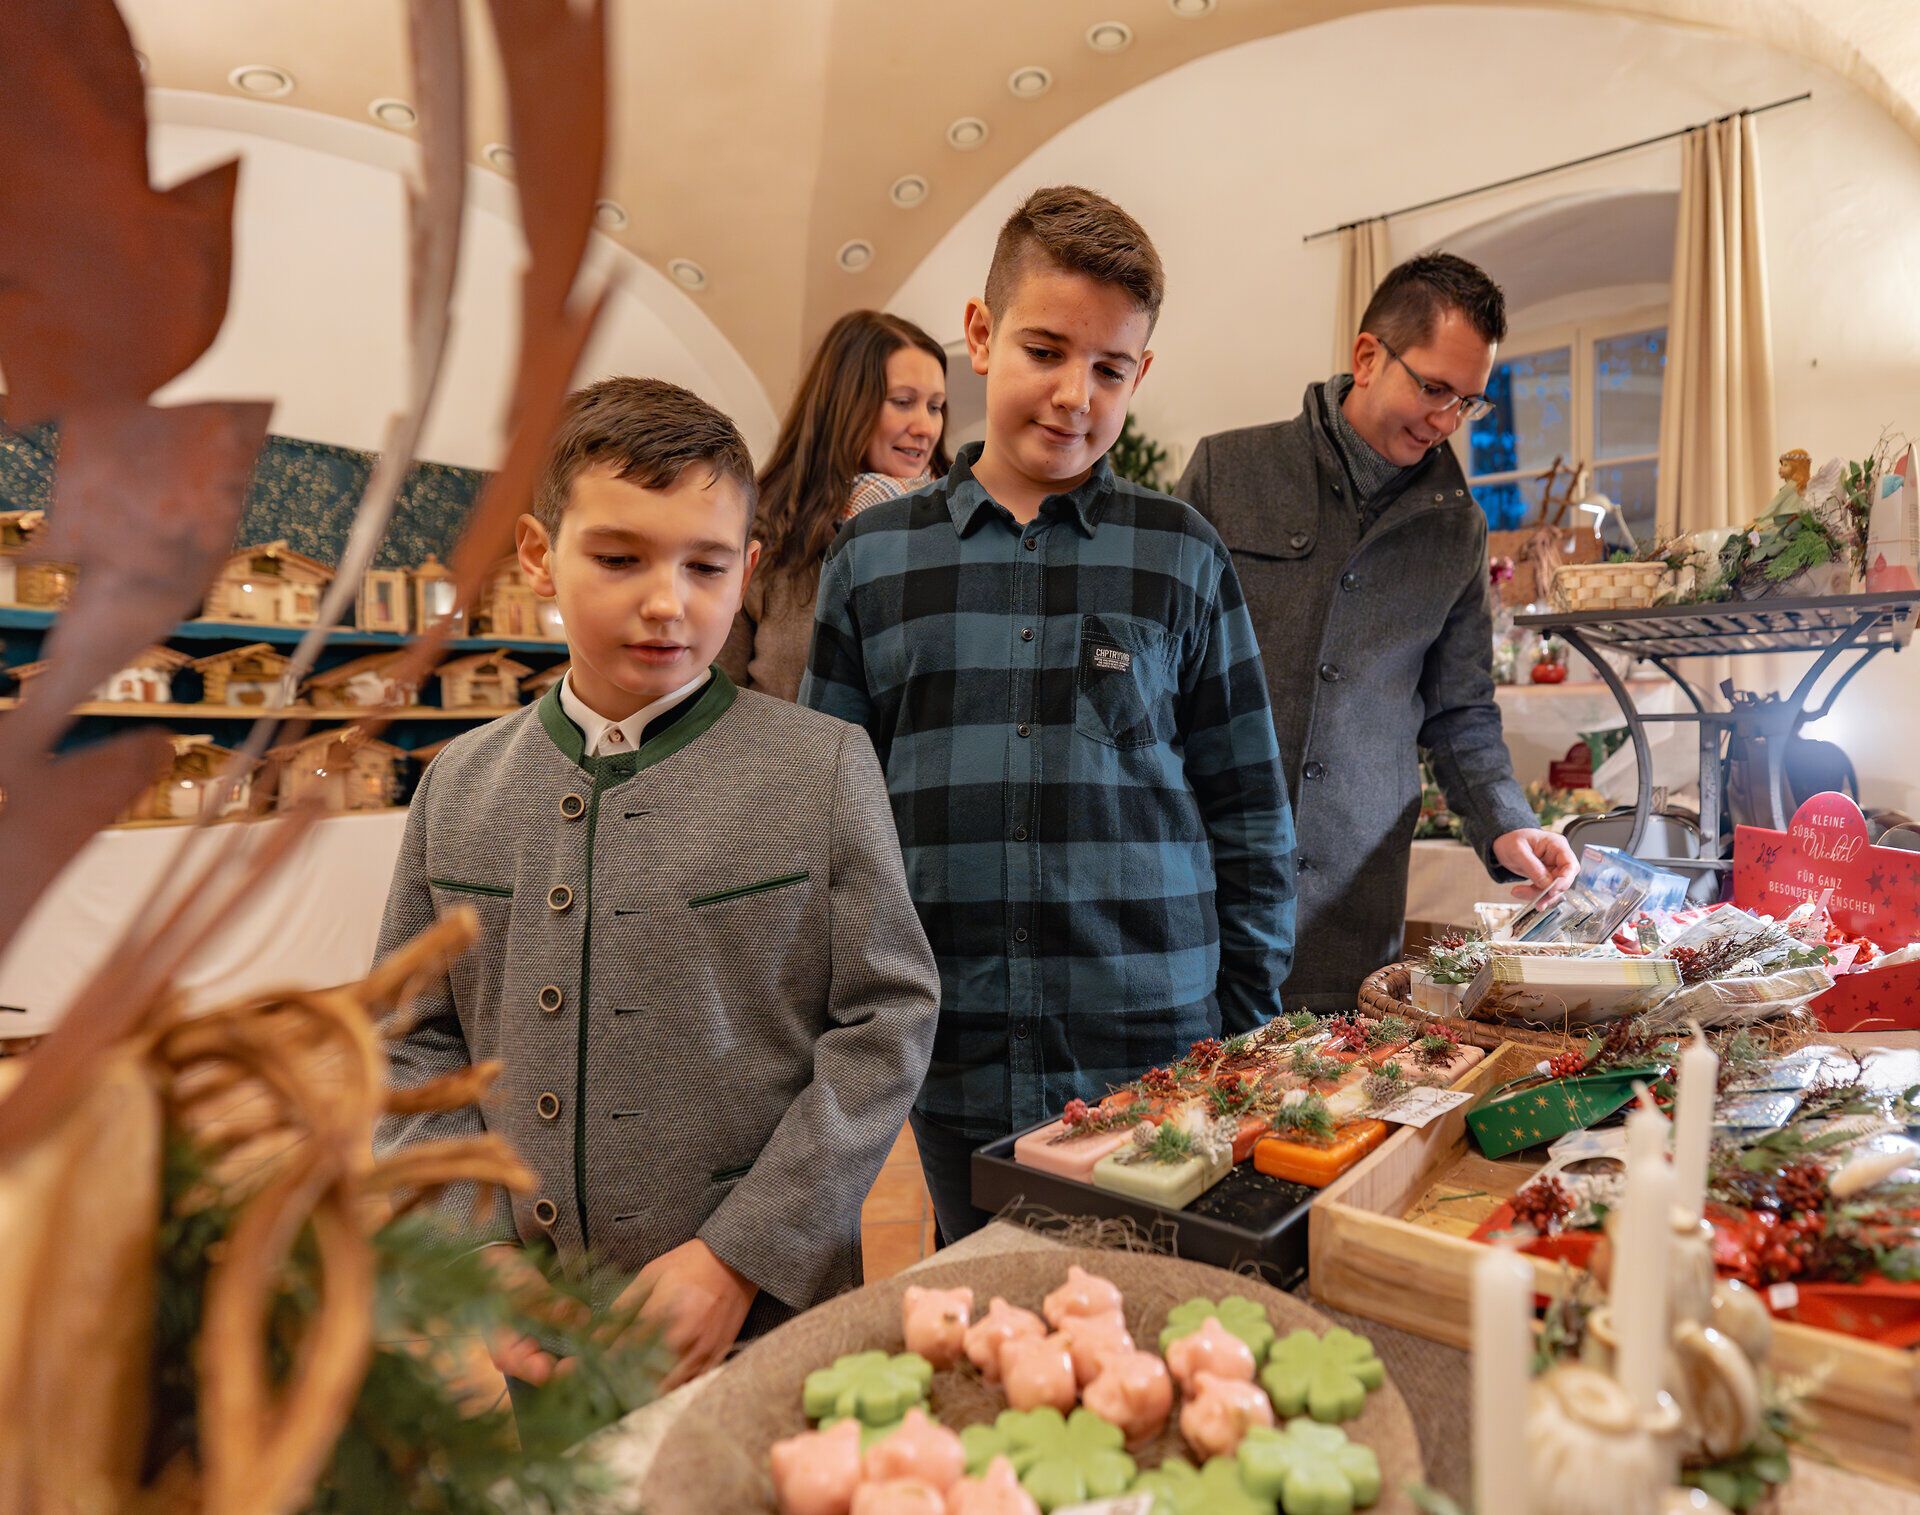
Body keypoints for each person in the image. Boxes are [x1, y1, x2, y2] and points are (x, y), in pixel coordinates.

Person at [374, 376, 940, 1390]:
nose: (667, 601)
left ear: (748, 571)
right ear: (539, 555)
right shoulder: (458, 785)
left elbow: (887, 1020)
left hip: (772, 1319)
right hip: (542, 1334)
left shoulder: (821, 767)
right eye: (619, 557)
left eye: (705, 565)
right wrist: (477, 1247)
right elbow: (412, 1040)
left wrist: (740, 1255)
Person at [802, 186, 1295, 1244]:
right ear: (981, 337)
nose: (1076, 395)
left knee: (1159, 1301)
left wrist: (1242, 1036)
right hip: (953, 1044)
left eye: (1110, 368)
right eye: (1045, 350)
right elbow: (829, 828)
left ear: (1140, 374)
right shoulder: (873, 561)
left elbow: (1251, 814)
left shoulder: (1182, 552)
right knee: (982, 1296)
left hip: (1155, 1048)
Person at [1177, 252, 1578, 1012]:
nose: (1447, 421)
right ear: (1367, 357)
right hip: (1204, 888)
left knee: (1331, 1091)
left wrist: (1507, 825)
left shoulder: (1458, 530)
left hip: (1349, 913)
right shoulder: (1228, 473)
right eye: (1434, 388)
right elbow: (1159, 677)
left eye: (1469, 402)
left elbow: (1461, 712)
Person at [720, 310, 950, 701]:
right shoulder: (762, 529)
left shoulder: (957, 524)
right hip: (784, 740)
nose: (925, 428)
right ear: (844, 405)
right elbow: (717, 689)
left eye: (935, 406)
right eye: (903, 402)